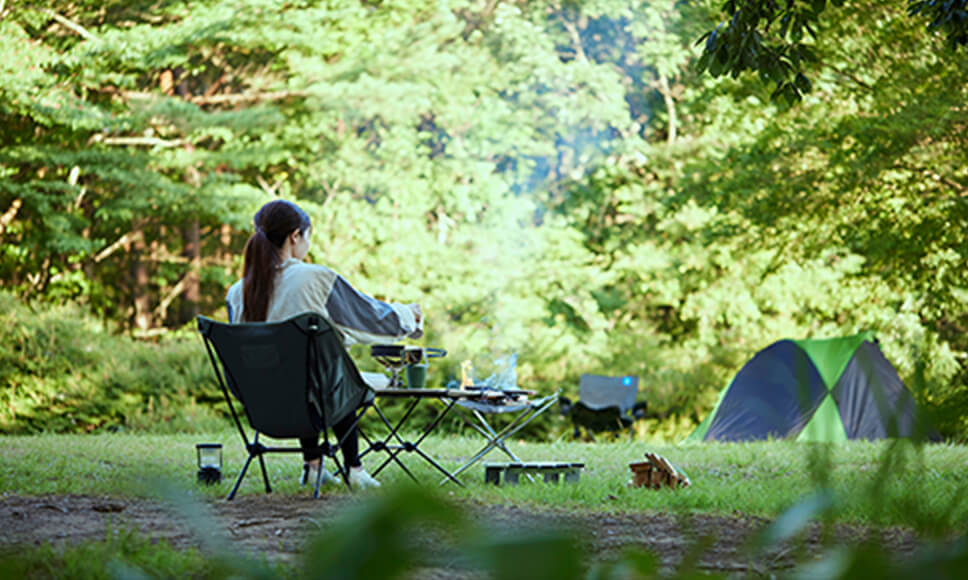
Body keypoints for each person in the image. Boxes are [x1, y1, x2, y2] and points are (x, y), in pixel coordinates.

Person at [225, 199, 424, 490]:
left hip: (263, 404)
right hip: (316, 400)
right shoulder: (313, 278)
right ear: (295, 236)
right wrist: (408, 314)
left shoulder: (236, 293)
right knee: (331, 369)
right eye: (307, 237)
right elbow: (368, 316)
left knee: (307, 367)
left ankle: (313, 466)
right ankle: (354, 469)